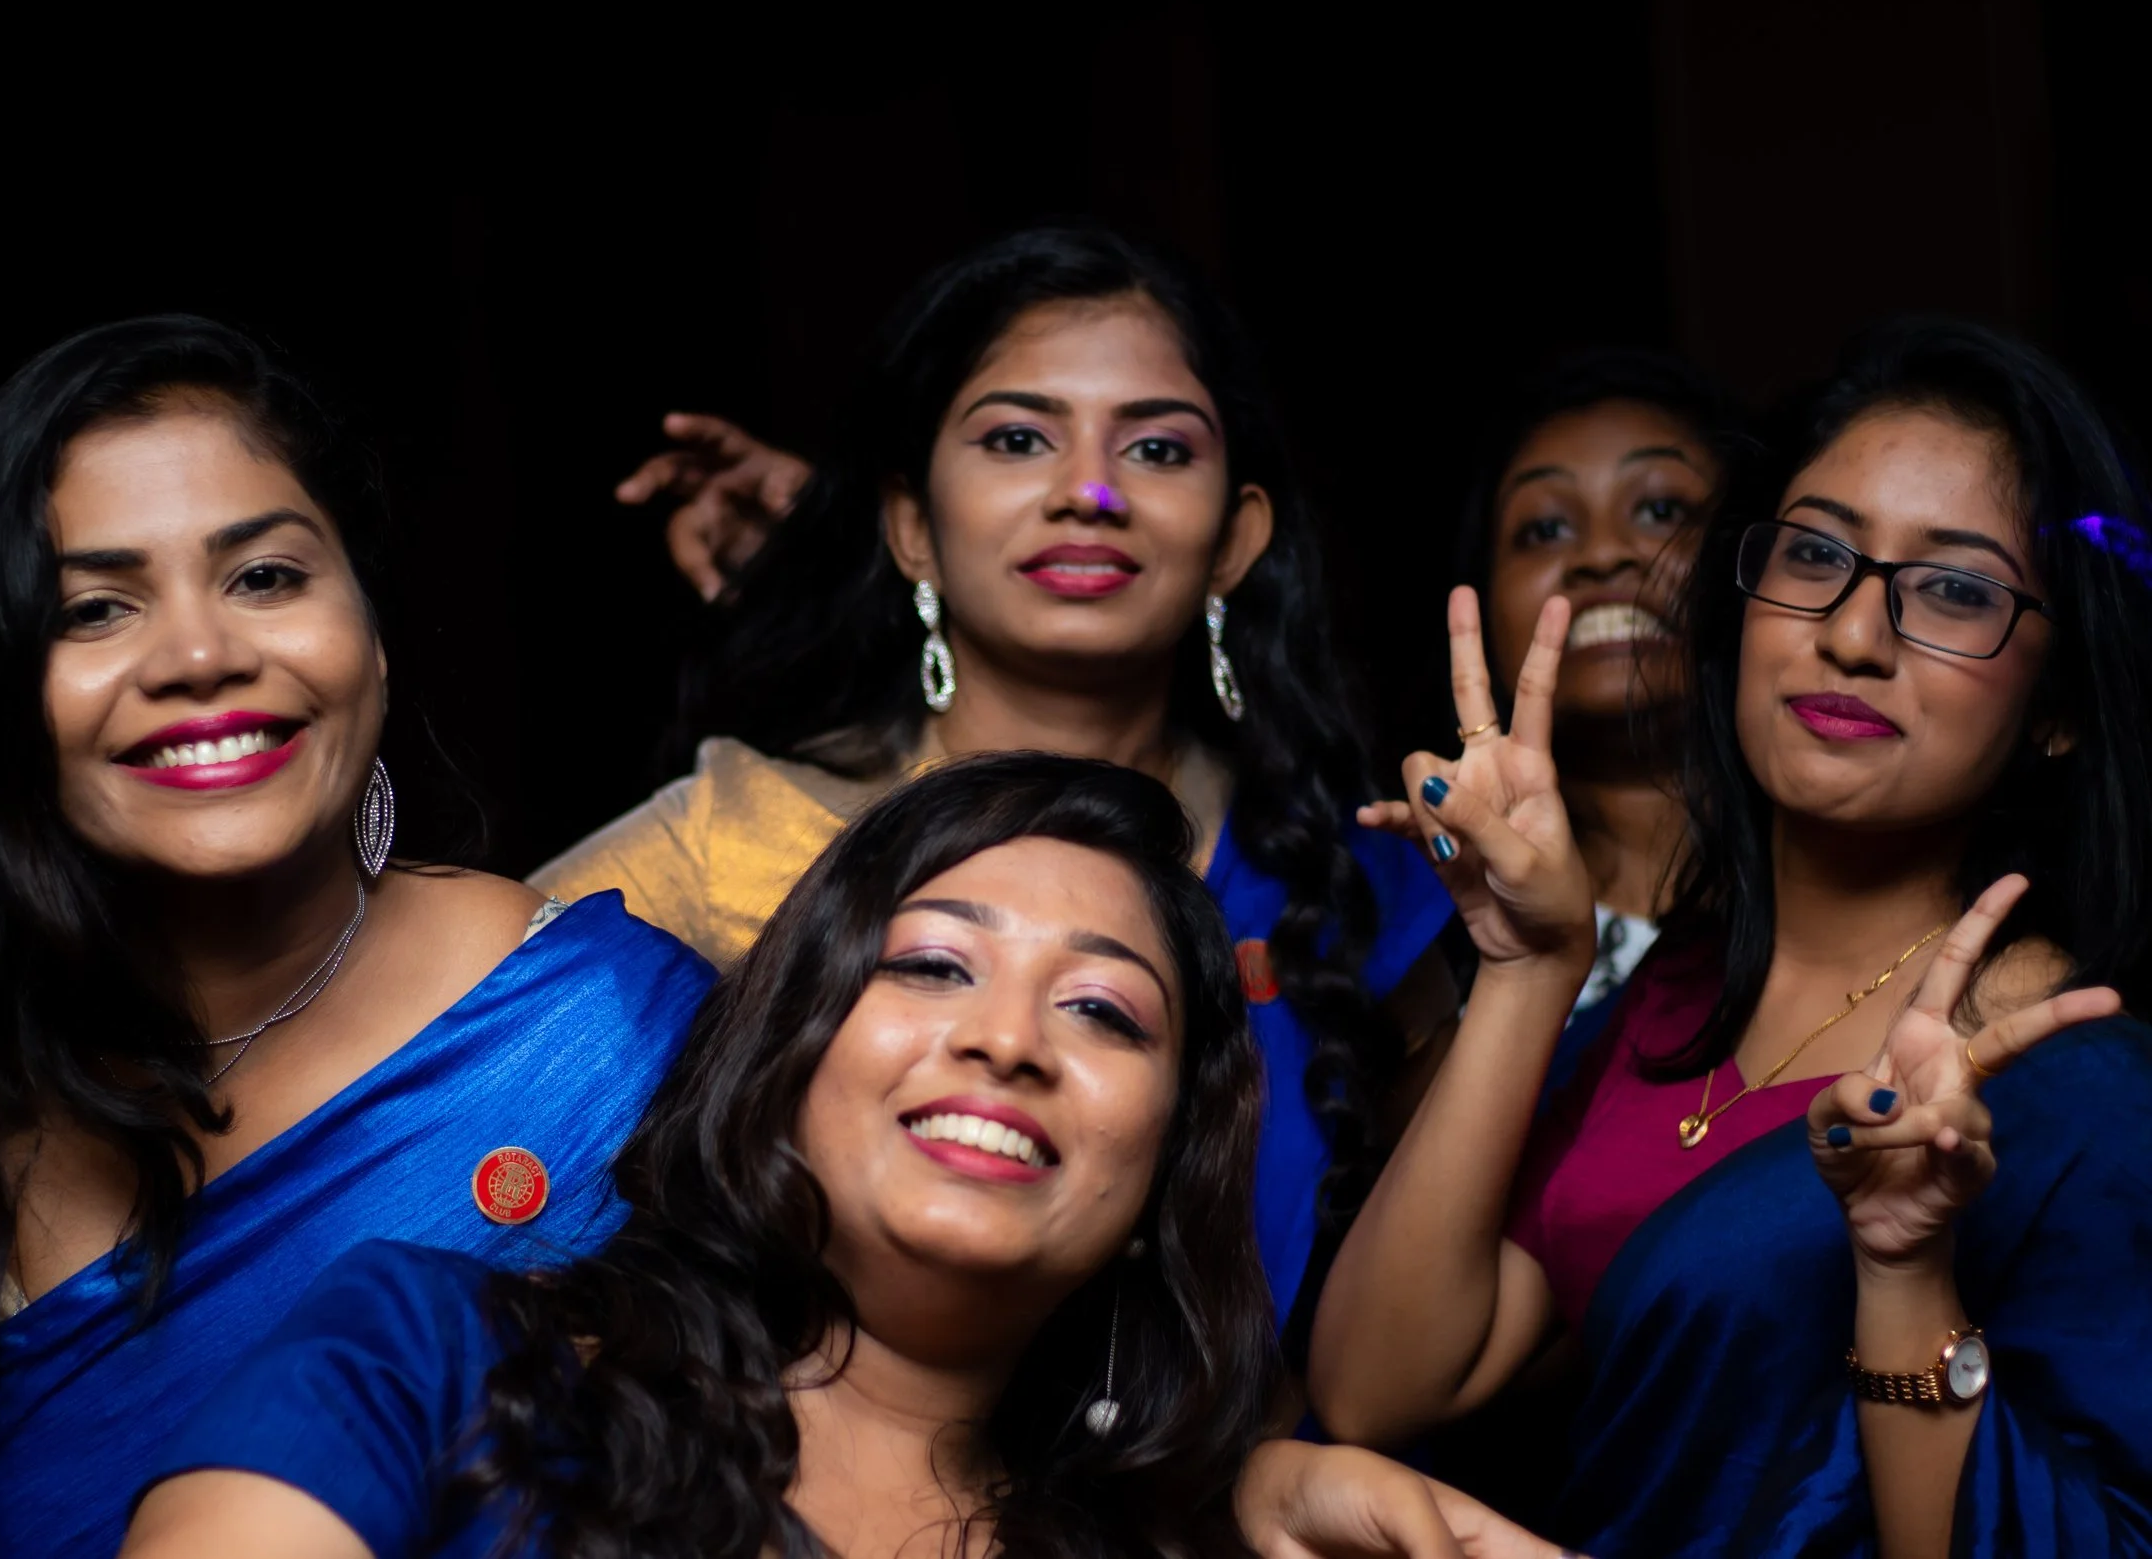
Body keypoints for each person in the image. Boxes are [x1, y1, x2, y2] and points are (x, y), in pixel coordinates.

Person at [0, 758, 1565, 1558]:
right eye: (933, 964)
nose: (1006, 1035)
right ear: (786, 1046)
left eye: (1108, 1012)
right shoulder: (426, 1358)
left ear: (1169, 1156)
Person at [0, 316, 716, 1559]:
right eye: (92, 608)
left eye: (264, 576)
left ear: (371, 628)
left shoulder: (614, 1041)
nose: (201, 655)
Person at [1310, 319, 2152, 1555]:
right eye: (1814, 554)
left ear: (2057, 711)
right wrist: (1531, 963)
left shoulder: (2072, 1080)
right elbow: (1376, 1388)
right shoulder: (1663, 1004)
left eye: (1955, 589)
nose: (1853, 634)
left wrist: (1905, 1270)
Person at [534, 226, 1459, 1342]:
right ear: (913, 525)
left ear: (1234, 538)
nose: (1089, 493)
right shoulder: (730, 837)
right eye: (1018, 439)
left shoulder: (1349, 878)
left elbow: (1415, 1328)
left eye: (1158, 450)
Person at [1452, 351, 1749, 1094]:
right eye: (1544, 528)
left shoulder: (1837, 902)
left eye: (1660, 510)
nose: (1603, 553)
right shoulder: (1436, 930)